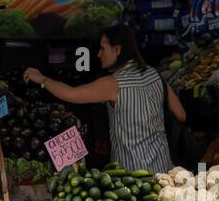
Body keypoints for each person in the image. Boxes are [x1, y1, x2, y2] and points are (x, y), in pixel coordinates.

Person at [23, 22, 186, 175]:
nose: (99, 54)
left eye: (102, 48)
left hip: (133, 176)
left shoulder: (113, 84)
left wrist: (42, 79)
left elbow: (71, 94)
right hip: (164, 170)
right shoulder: (154, 74)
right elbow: (181, 114)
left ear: (117, 50)